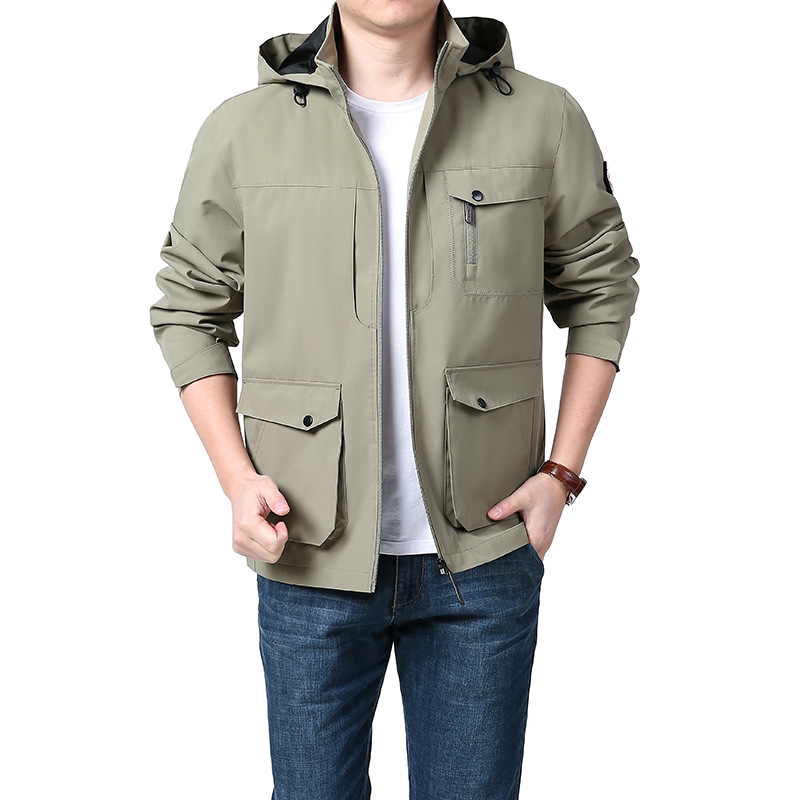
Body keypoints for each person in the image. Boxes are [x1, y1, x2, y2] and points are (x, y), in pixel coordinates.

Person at [149, 1, 640, 797]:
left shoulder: (543, 117)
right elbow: (187, 309)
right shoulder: (242, 130)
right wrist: (237, 479)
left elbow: (602, 290)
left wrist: (561, 474)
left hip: (484, 555)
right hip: (306, 552)